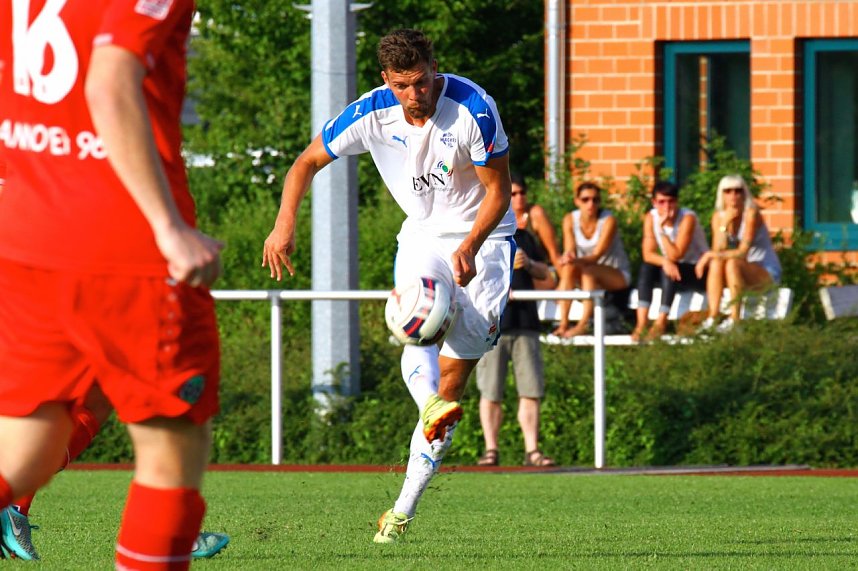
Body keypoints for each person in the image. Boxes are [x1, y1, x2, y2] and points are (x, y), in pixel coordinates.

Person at [262, 29, 514, 544]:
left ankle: (403, 505)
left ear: (434, 68)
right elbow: (305, 163)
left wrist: (469, 244)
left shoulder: (475, 108)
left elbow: (500, 192)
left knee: (455, 379)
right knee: (414, 324)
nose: (414, 96)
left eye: (421, 82)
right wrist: (283, 225)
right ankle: (425, 421)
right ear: (386, 80)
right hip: (421, 237)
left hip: (483, 244)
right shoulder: (370, 113)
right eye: (402, 86)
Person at [0, 3, 224, 569]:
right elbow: (109, 79)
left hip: (27, 233)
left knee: (27, 448)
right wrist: (168, 228)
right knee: (171, 446)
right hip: (121, 241)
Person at [476, 174, 556, 468]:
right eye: (514, 193)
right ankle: (491, 449)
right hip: (492, 323)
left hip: (525, 321)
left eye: (522, 194)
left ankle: (532, 450)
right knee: (491, 389)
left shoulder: (526, 238)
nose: (519, 199)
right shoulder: (483, 233)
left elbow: (546, 276)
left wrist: (530, 264)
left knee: (530, 388)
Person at [694, 174, 782, 332]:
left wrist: (707, 256)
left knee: (732, 263)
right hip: (735, 273)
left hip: (764, 270)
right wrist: (724, 225)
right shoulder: (718, 217)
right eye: (728, 191)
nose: (733, 196)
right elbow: (718, 251)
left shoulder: (751, 214)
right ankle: (713, 317)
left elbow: (742, 253)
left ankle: (735, 320)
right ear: (721, 194)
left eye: (738, 191)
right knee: (717, 263)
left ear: (744, 193)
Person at [631, 181, 709, 342]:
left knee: (670, 267)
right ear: (654, 203)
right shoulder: (651, 217)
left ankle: (661, 321)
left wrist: (662, 230)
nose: (667, 207)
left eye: (671, 201)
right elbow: (648, 254)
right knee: (648, 267)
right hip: (675, 270)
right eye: (661, 202)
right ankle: (642, 323)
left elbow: (676, 254)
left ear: (677, 202)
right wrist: (665, 262)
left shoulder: (687, 218)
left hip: (698, 270)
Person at [552, 182, 631, 338]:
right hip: (585, 274)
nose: (591, 204)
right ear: (577, 201)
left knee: (589, 272)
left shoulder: (608, 220)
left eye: (595, 200)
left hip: (616, 274)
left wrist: (571, 261)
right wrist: (567, 258)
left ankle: (583, 325)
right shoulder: (569, 219)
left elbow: (596, 256)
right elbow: (570, 250)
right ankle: (563, 324)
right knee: (569, 268)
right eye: (585, 199)